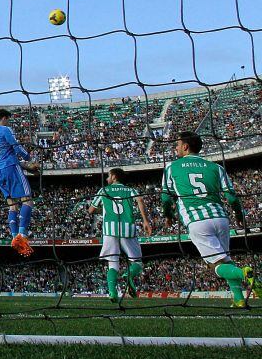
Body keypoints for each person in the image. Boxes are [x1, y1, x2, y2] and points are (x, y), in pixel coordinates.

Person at [160, 132, 259, 308]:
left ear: (185, 146)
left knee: (215, 266)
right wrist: (239, 215)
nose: (175, 147)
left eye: (177, 144)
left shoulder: (172, 167)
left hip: (197, 221)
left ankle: (245, 274)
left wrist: (168, 216)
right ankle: (238, 299)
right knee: (225, 259)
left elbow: (166, 199)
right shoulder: (216, 167)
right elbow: (232, 197)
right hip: (221, 218)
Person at [87, 168, 152, 302]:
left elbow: (91, 210)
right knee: (137, 262)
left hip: (109, 230)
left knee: (112, 262)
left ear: (114, 177)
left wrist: (104, 210)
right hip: (128, 228)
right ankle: (128, 275)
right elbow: (140, 200)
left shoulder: (104, 190)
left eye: (108, 176)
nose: (106, 179)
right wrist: (145, 221)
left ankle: (112, 292)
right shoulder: (130, 190)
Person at [0, 109, 40, 257]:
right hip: (11, 169)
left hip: (0, 172)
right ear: (4, 118)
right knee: (28, 201)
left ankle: (13, 237)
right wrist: (29, 158)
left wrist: (26, 167)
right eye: (8, 119)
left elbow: (5, 155)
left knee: (13, 205)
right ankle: (22, 235)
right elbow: (16, 147)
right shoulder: (5, 129)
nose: (9, 122)